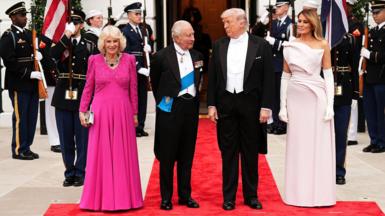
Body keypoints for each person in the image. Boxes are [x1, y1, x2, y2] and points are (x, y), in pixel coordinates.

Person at [207, 8, 275, 210]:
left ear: (242, 22)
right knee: (227, 153)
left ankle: (251, 195)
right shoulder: (219, 44)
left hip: (251, 106)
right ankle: (228, 197)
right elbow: (213, 78)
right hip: (226, 104)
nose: (225, 26)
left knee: (250, 152)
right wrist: (211, 104)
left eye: (228, 22)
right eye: (224, 22)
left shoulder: (260, 45)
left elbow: (268, 79)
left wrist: (266, 107)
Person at [79, 25, 143, 211]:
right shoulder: (94, 60)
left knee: (123, 155)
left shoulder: (130, 60)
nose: (112, 44)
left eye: (115, 41)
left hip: (123, 113)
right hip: (100, 114)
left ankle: (125, 199)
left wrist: (135, 113)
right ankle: (98, 200)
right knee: (101, 156)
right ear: (103, 43)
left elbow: (133, 90)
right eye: (108, 41)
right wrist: (83, 110)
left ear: (120, 42)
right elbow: (88, 87)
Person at [279, 9, 336, 207]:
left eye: (304, 21)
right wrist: (282, 107)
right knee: (298, 146)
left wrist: (330, 105)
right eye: (299, 21)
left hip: (317, 98)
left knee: (317, 145)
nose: (300, 24)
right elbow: (285, 76)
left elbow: (328, 75)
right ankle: (297, 194)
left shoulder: (322, 44)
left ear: (312, 24)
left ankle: (319, 194)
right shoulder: (290, 45)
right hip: (296, 99)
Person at [150, 20, 203, 211]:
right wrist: (165, 102)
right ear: (176, 36)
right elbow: (155, 82)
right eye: (189, 35)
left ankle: (185, 195)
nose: (192, 38)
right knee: (167, 155)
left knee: (187, 155)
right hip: (170, 110)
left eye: (193, 34)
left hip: (191, 109)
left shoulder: (198, 55)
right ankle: (166, 197)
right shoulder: (161, 57)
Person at [51, 9, 96, 187]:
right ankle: (69, 172)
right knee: (65, 137)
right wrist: (66, 36)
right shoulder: (62, 42)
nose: (73, 25)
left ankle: (80, 172)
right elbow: (51, 57)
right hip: (63, 94)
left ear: (82, 24)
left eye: (76, 22)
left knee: (83, 137)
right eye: (71, 22)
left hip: (83, 93)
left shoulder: (90, 41)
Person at [0, 2, 48, 160]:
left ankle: (27, 147)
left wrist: (39, 55)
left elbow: (38, 51)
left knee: (31, 116)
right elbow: (9, 61)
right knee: (21, 118)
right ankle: (19, 149)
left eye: (25, 15)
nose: (25, 18)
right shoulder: (9, 36)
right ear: (13, 17)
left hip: (33, 84)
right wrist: (29, 74)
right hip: (19, 83)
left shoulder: (29, 34)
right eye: (21, 15)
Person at [122, 2, 153, 137]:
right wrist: (138, 67)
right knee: (133, 98)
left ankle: (140, 126)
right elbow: (126, 52)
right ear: (129, 15)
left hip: (143, 68)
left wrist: (149, 49)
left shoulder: (144, 30)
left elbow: (145, 50)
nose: (139, 16)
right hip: (132, 69)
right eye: (136, 14)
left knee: (142, 97)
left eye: (140, 14)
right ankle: (133, 127)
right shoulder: (125, 31)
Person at [332, 33, 359, 185]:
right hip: (325, 89)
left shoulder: (349, 39)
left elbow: (354, 67)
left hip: (344, 89)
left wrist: (355, 93)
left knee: (341, 133)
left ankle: (338, 171)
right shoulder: (324, 36)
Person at [360, 0, 385, 153]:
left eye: (378, 12)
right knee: (370, 111)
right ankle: (374, 139)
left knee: (381, 111)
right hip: (369, 77)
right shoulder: (373, 31)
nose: (375, 16)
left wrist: (370, 55)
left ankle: (382, 141)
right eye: (373, 13)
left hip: (382, 77)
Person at [264, 0, 292, 135]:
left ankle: (283, 123)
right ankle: (274, 122)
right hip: (273, 64)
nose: (277, 9)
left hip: (283, 64)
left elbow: (290, 45)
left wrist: (275, 42)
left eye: (279, 6)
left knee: (283, 95)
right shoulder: (273, 23)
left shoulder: (291, 25)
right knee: (274, 95)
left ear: (286, 7)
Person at [346, 0, 363, 146]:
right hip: (338, 68)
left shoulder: (355, 24)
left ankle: (351, 135)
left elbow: (354, 46)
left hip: (352, 66)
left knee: (353, 100)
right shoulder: (336, 22)